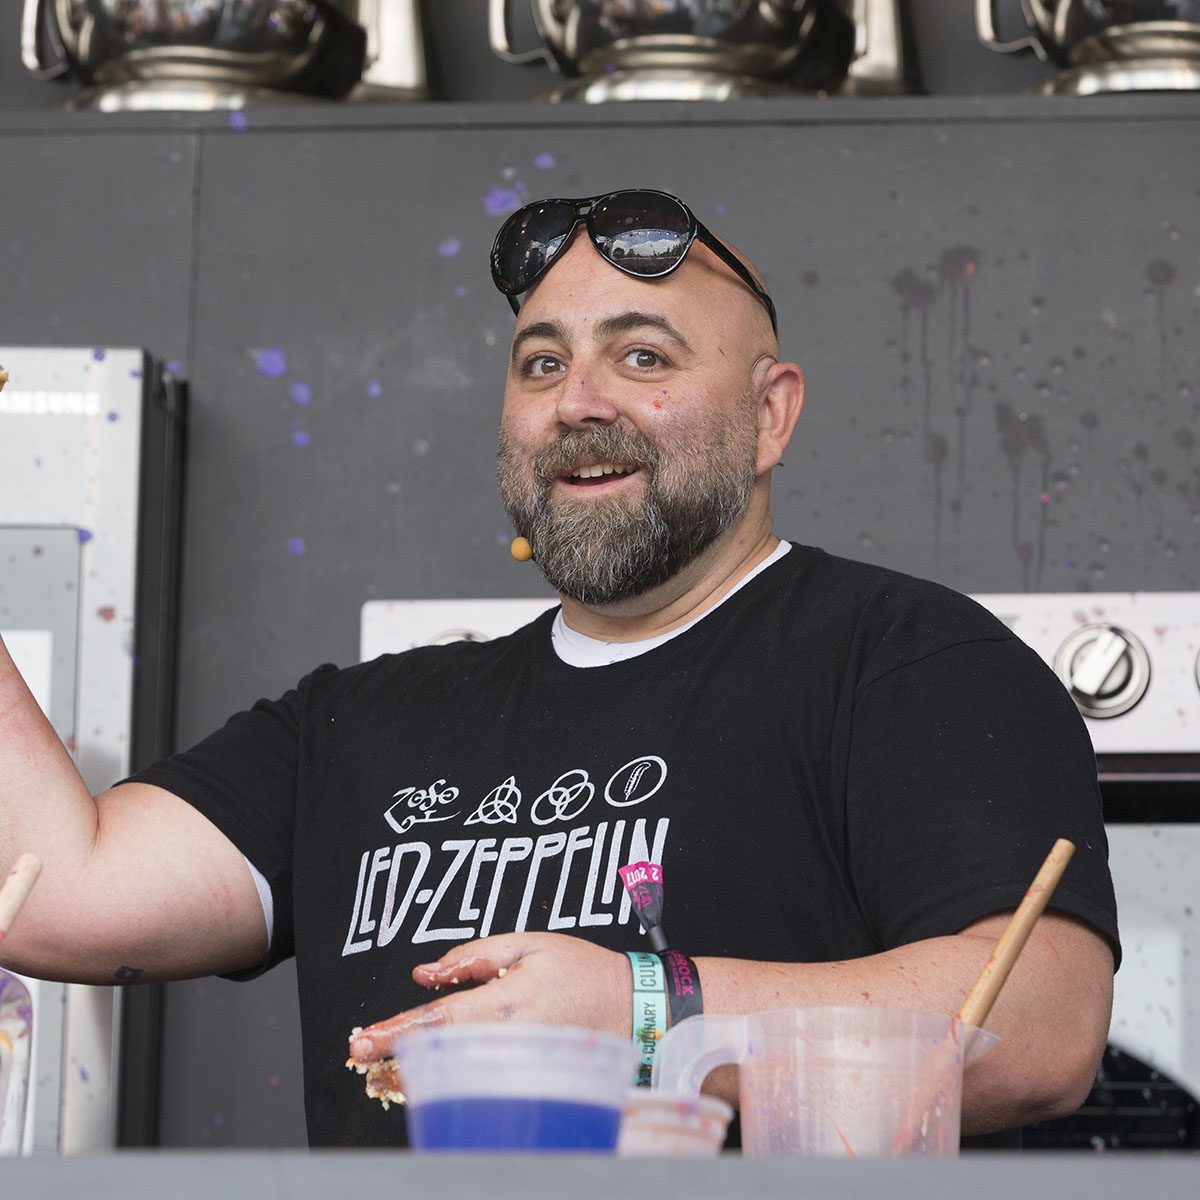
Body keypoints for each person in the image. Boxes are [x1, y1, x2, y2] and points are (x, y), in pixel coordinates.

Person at [0, 188, 1117, 1149]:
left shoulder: (908, 662)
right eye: (543, 362)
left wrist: (647, 1013)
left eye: (643, 355)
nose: (579, 402)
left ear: (771, 416)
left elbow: (1042, 1023)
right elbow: (54, 891)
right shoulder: (357, 722)